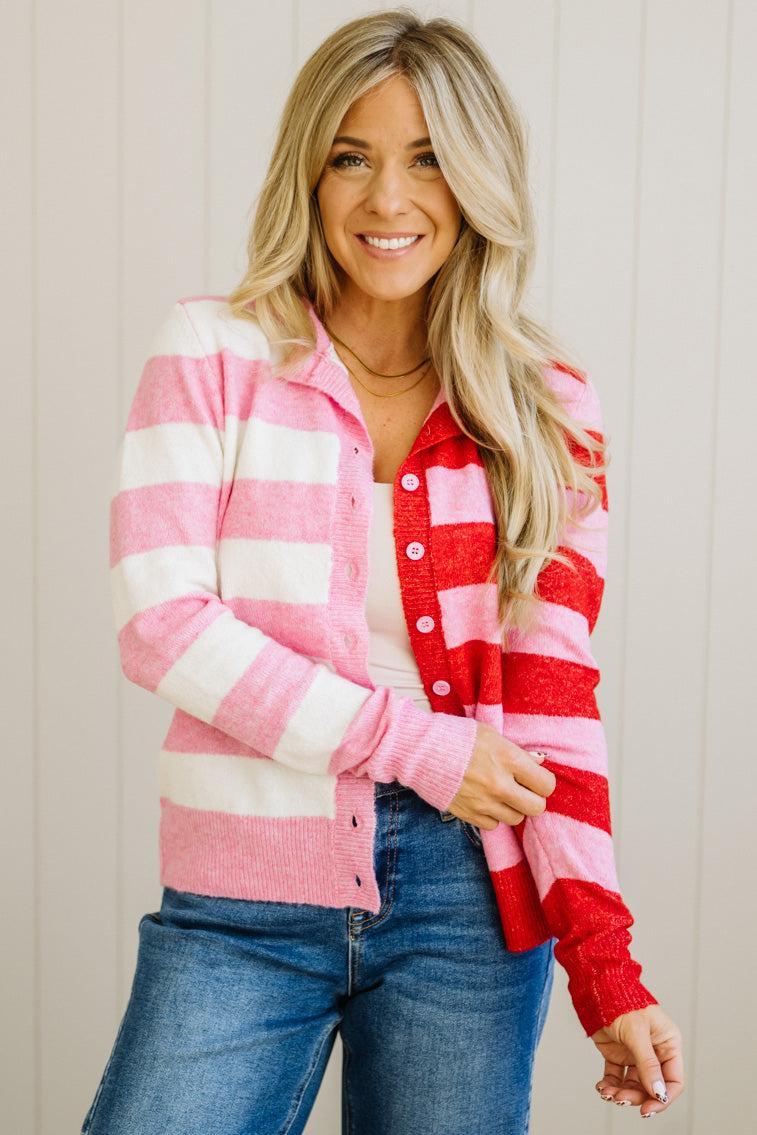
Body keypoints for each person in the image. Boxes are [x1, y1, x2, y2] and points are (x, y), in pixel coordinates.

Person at [82, 9, 684, 1134]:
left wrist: (606, 965)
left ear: (477, 183)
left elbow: (553, 700)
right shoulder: (215, 353)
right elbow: (160, 622)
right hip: (240, 901)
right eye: (350, 158)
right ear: (307, 173)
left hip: (474, 901)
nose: (387, 200)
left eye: (428, 161)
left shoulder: (548, 407)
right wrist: (416, 745)